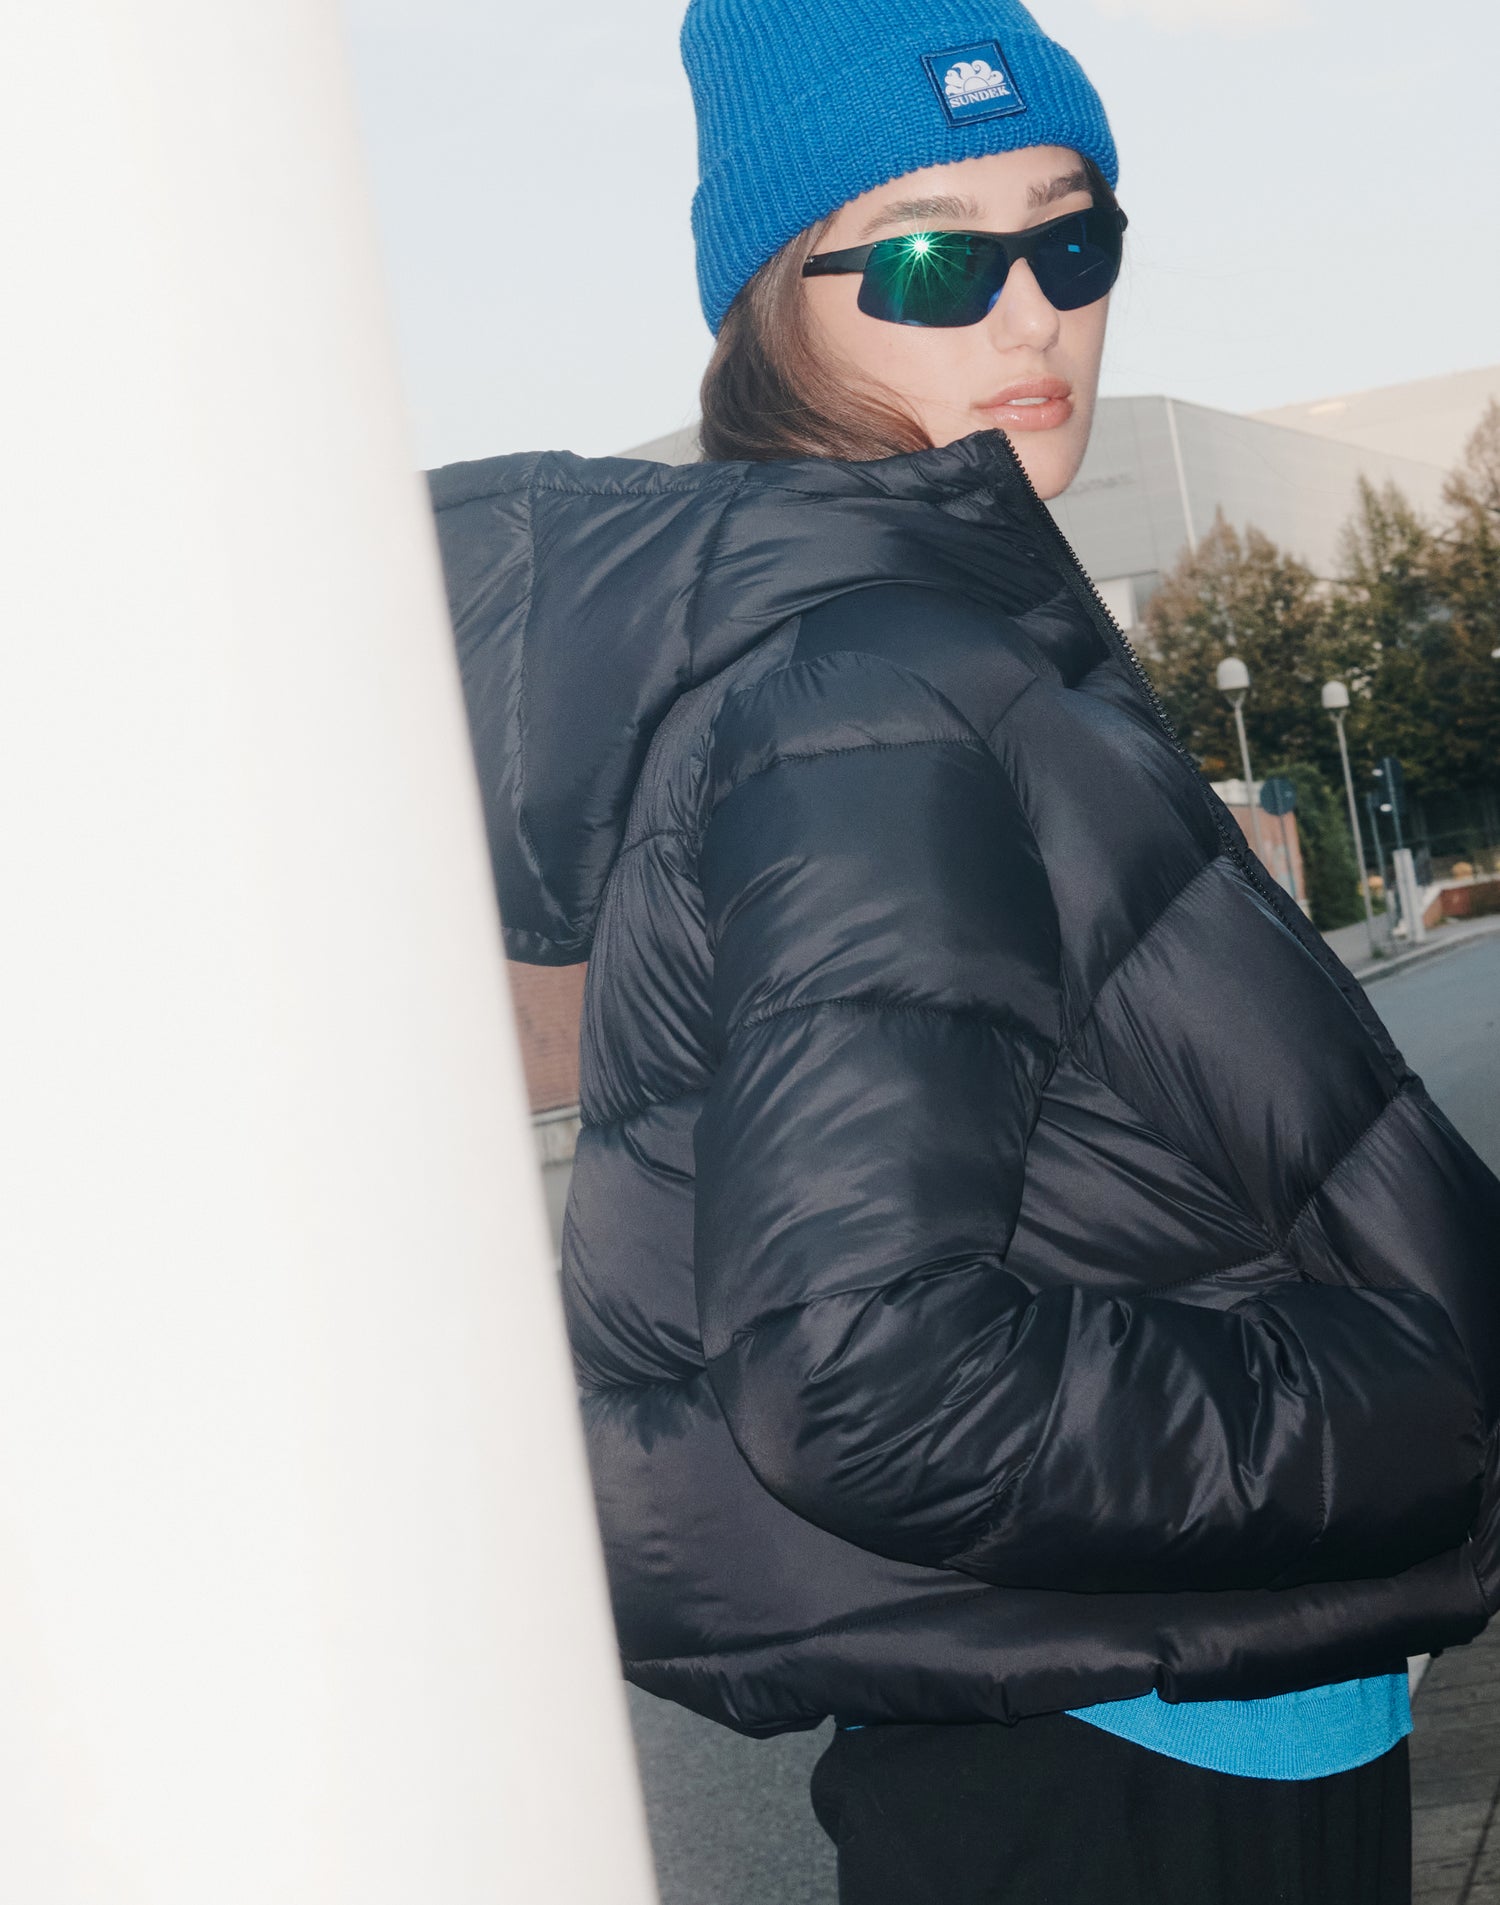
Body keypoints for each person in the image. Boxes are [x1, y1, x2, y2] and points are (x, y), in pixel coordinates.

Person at [428, 3, 1500, 1898]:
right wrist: (1421, 1404)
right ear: (776, 304)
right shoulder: (875, 689)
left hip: (1175, 1715)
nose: (1030, 319)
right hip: (1119, 1777)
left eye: (1071, 240)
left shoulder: (936, 644)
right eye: (931, 261)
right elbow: (863, 1367)